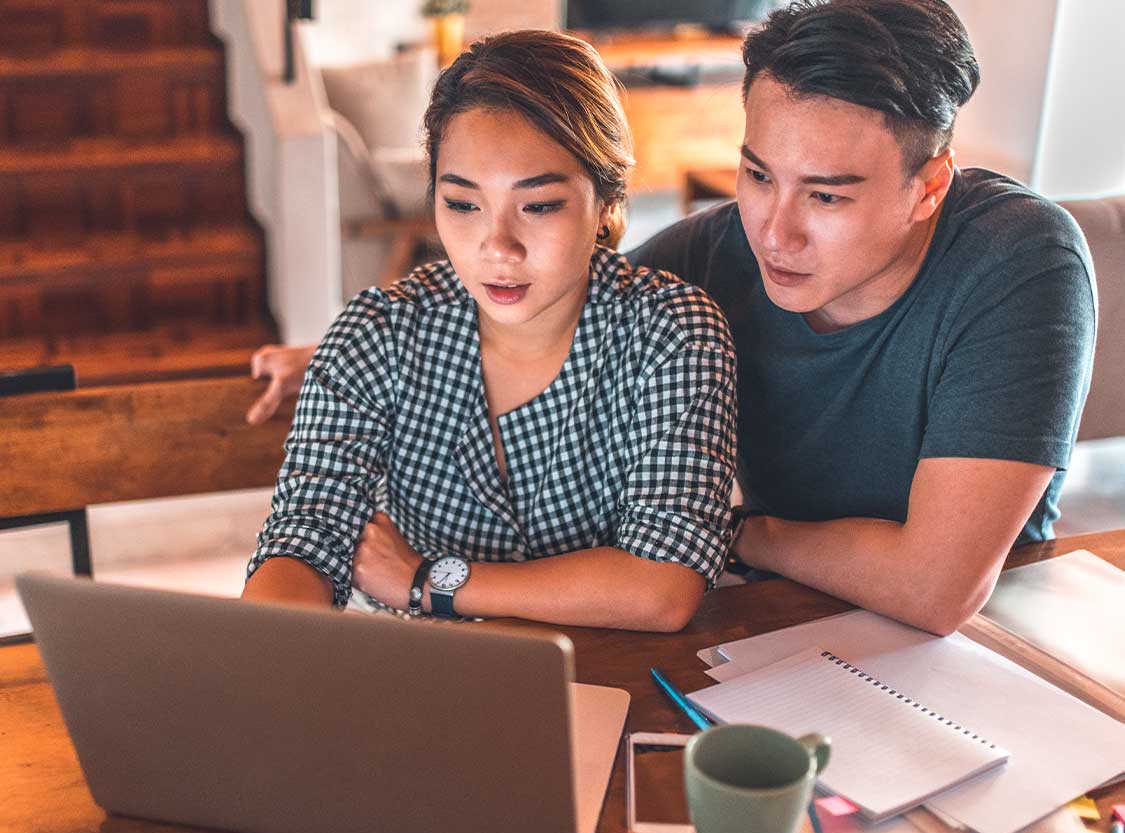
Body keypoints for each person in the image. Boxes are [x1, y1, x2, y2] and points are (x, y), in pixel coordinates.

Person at [249, 0, 1096, 636]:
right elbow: (550, 295)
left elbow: (935, 587)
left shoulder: (1017, 260)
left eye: (826, 195)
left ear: (929, 187)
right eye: (757, 174)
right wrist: (337, 355)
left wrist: (738, 533)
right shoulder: (712, 258)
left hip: (982, 645)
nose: (774, 229)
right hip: (772, 625)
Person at [242, 30, 738, 633]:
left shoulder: (672, 335)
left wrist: (428, 581)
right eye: (462, 204)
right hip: (427, 679)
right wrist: (264, 655)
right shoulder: (376, 334)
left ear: (607, 201)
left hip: (616, 677)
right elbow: (304, 537)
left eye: (539, 205)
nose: (496, 248)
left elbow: (663, 585)